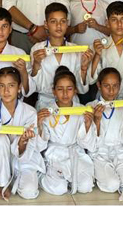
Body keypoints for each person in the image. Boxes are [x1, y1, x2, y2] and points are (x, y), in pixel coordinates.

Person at [0, 67, 42, 200]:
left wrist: (23, 141)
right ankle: (3, 183)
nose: (6, 91)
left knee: (28, 193)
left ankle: (22, 175)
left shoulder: (30, 112)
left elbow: (30, 148)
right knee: (0, 139)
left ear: (19, 87)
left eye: (11, 86)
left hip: (23, 160)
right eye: (2, 86)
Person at [37, 66, 96, 195]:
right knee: (59, 189)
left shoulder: (82, 110)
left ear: (75, 90)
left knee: (85, 187)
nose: (65, 94)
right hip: (55, 155)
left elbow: (89, 145)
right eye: (60, 89)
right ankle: (42, 177)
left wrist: (87, 125)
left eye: (69, 89)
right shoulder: (47, 112)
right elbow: (40, 145)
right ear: (53, 91)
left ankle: (70, 178)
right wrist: (40, 125)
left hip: (76, 152)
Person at [86, 68, 123, 197]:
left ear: (120, 86)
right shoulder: (90, 106)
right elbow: (89, 144)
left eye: (115, 86)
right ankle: (107, 175)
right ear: (99, 85)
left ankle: (117, 173)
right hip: (100, 153)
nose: (111, 91)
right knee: (111, 185)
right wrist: (97, 120)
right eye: (106, 86)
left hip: (120, 152)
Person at [30, 3, 95, 109]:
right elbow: (34, 88)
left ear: (68, 23)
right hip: (45, 105)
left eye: (63, 21)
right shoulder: (37, 49)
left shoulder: (76, 50)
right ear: (46, 24)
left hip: (72, 104)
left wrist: (83, 69)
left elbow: (82, 90)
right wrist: (36, 65)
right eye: (53, 21)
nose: (58, 25)